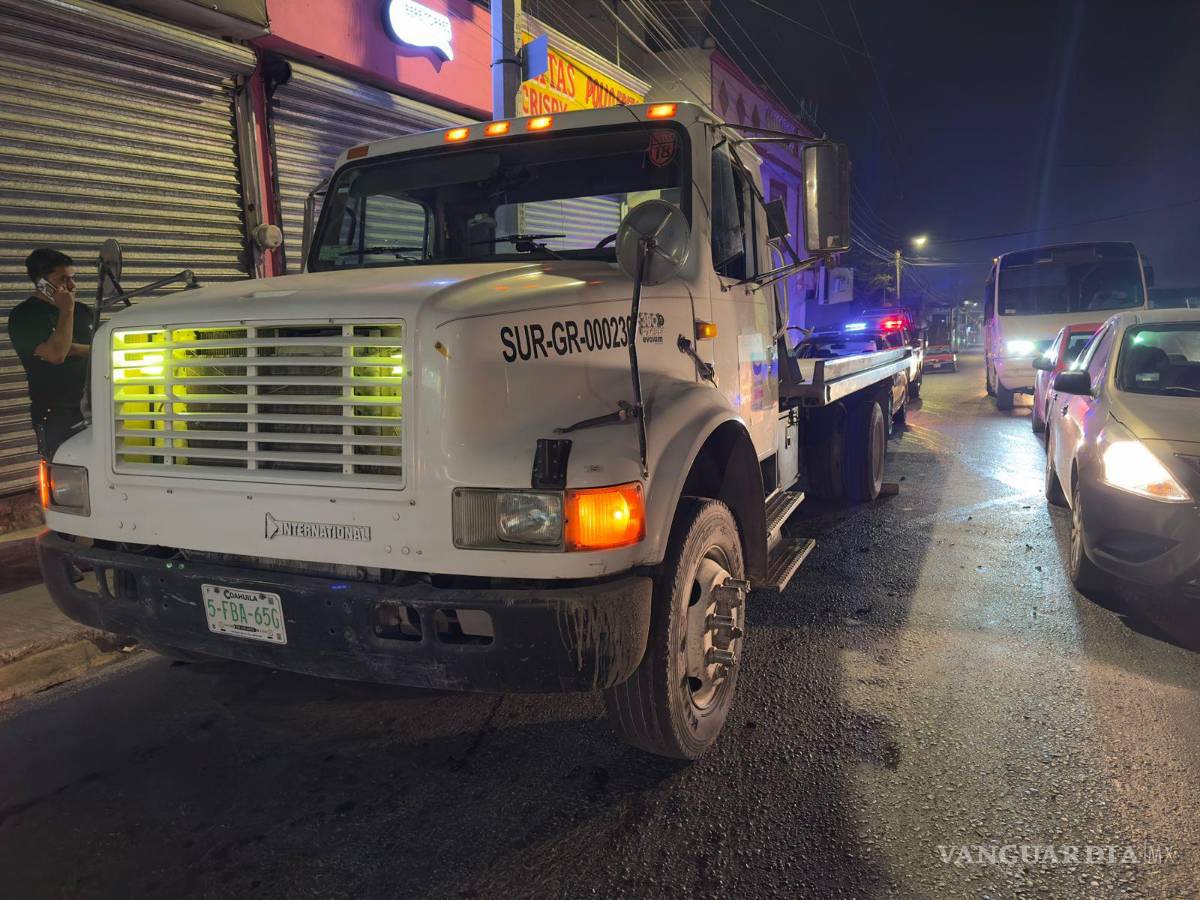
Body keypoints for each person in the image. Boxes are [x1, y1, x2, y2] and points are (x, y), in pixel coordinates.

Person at [7, 249, 94, 460]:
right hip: (55, 414)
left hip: (92, 408)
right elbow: (56, 354)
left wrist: (72, 347)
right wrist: (66, 311)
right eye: (63, 279)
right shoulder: (25, 316)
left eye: (73, 278)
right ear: (41, 283)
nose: (72, 286)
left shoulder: (84, 311)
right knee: (63, 474)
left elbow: (100, 349)